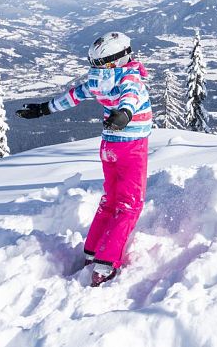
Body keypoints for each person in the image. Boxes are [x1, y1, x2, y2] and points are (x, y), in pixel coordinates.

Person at [16, 31, 151, 287]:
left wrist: (43, 109)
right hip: (131, 148)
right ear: (122, 56)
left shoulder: (97, 80)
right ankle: (105, 264)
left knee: (111, 200)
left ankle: (92, 252)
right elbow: (130, 96)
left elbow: (73, 96)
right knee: (130, 205)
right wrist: (124, 114)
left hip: (108, 147)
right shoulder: (127, 76)